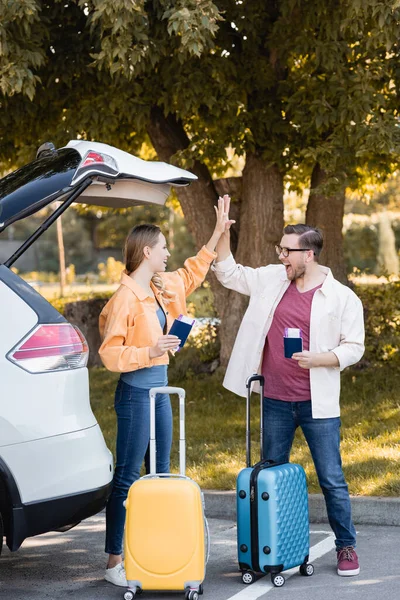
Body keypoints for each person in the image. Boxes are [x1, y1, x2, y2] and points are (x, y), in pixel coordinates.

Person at [212, 195, 365, 577]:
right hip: (276, 400)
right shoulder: (270, 279)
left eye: (287, 251)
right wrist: (222, 231)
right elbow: (228, 272)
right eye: (279, 249)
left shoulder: (341, 297)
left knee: (331, 478)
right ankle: (272, 547)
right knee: (269, 475)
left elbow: (354, 346)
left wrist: (322, 358)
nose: (281, 256)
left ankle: (346, 547)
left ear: (308, 255)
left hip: (317, 402)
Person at [99, 198, 233, 587]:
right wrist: (151, 351)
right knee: (127, 478)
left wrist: (217, 231)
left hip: (160, 393)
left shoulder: (161, 286)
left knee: (160, 474)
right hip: (135, 395)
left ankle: (153, 553)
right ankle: (114, 562)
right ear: (146, 252)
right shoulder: (125, 298)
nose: (168, 253)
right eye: (162, 248)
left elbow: (193, 271)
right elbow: (109, 354)